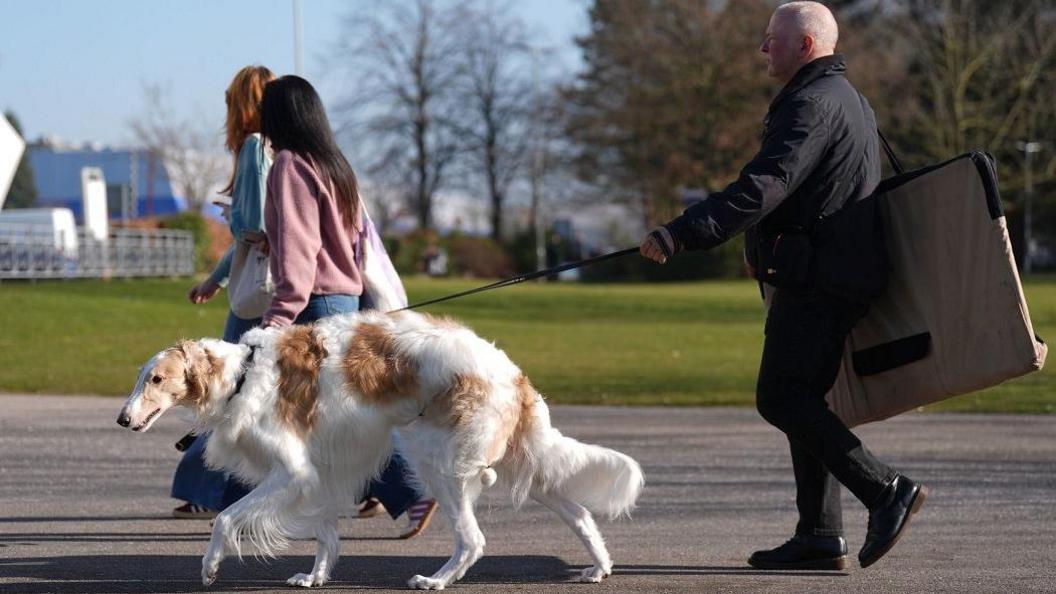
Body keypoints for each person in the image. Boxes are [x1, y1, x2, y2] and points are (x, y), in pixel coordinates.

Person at [640, 2, 927, 570]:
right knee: (805, 398)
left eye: (771, 38)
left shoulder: (813, 104)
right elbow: (800, 192)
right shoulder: (840, 98)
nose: (761, 48)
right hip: (827, 272)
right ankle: (820, 535)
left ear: (806, 45)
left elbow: (767, 184)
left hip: (821, 278)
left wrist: (681, 233)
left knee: (782, 396)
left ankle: (885, 490)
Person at [258, 75, 437, 539]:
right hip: (346, 300)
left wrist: (273, 325)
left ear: (278, 116)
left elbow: (299, 256)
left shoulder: (290, 167)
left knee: (342, 415)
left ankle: (409, 489)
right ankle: (401, 491)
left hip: (314, 306)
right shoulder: (333, 165)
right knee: (348, 410)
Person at [172, 65, 276, 519]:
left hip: (258, 289)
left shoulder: (254, 147)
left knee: (220, 387)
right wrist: (216, 277)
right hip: (274, 280)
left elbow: (250, 227)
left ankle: (203, 489)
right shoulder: (279, 149)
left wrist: (229, 218)